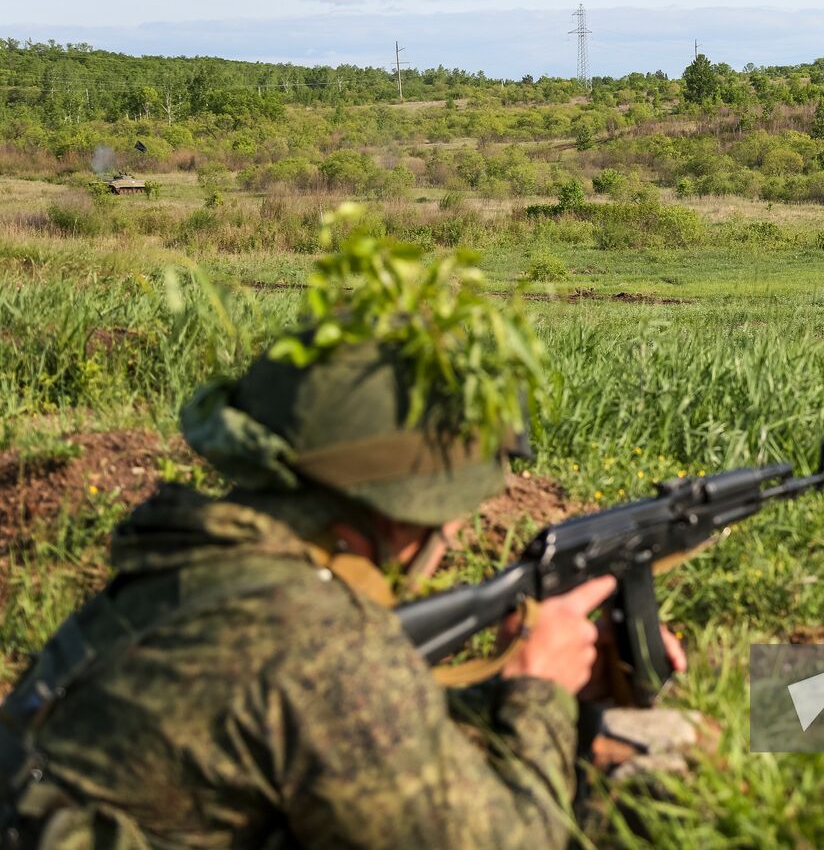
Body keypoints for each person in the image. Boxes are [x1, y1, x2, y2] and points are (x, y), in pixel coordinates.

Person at [0, 335, 682, 849]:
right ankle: (790, 717)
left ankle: (787, 713)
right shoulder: (320, 647)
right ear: (394, 506)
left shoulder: (192, 567)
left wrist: (500, 694)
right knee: (676, 755)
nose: (452, 526)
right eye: (448, 506)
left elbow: (317, 734)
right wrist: (540, 693)